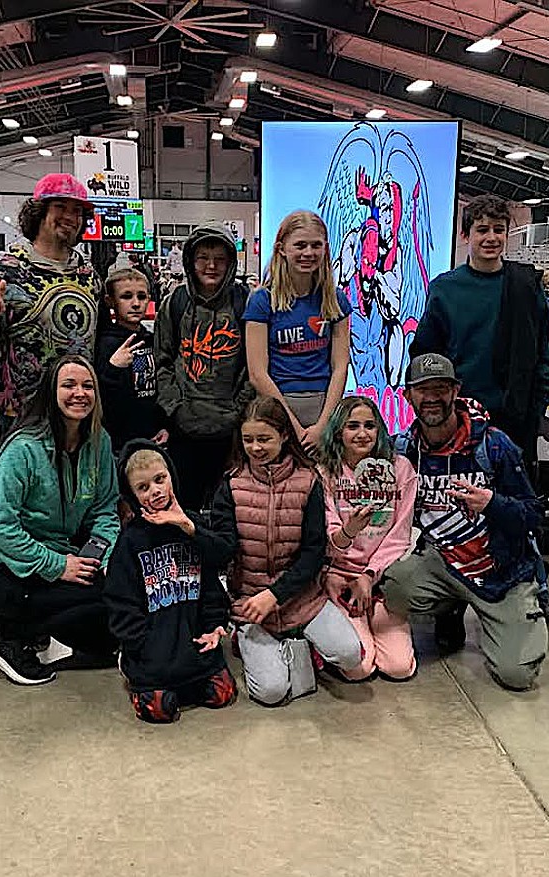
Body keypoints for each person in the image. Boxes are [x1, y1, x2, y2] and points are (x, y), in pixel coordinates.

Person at [409, 194, 549, 624]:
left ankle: (532, 582)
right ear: (466, 236)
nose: (491, 238)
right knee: (454, 507)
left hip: (512, 417)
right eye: (482, 230)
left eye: (498, 230)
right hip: (459, 422)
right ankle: (451, 604)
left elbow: (543, 352)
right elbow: (425, 353)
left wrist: (537, 403)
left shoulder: (526, 285)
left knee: (514, 506)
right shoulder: (446, 289)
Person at [382, 354, 548, 692]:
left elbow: (534, 515)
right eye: (422, 389)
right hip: (443, 562)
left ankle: (524, 602)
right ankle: (451, 606)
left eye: (440, 388)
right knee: (393, 587)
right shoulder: (402, 449)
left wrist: (492, 503)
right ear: (408, 395)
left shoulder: (494, 445)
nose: (431, 398)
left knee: (517, 676)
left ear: (456, 391)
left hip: (500, 570)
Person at [0, 354, 121, 686]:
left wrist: (101, 558)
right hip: (4, 565)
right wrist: (57, 565)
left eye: (87, 386)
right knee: (85, 610)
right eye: (69, 385)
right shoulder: (21, 450)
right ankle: (7, 634)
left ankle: (27, 628)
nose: (79, 393)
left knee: (117, 596)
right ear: (51, 392)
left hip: (64, 555)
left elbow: (106, 510)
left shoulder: (100, 443)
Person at [211, 397, 363, 706]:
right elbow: (221, 548)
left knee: (350, 653)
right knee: (271, 692)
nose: (256, 448)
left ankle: (302, 642)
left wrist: (276, 595)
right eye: (248, 439)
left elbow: (313, 553)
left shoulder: (308, 481)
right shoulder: (231, 484)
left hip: (302, 598)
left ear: (283, 436)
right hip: (251, 604)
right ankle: (260, 643)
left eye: (264, 439)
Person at [0, 173, 100, 441]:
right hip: (22, 422)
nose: (70, 216)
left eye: (77, 211)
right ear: (38, 213)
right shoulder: (5, 272)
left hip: (76, 418)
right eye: (60, 207)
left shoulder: (88, 275)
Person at [104, 441, 238, 724]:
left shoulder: (191, 523)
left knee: (222, 694)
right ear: (133, 494)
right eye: (143, 487)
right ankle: (131, 670)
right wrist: (143, 643)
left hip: (195, 643)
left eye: (159, 480)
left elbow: (213, 579)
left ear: (171, 477)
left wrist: (215, 626)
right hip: (155, 650)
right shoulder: (130, 541)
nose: (154, 490)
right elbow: (120, 602)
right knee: (160, 710)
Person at [155, 224, 254, 511]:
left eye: (220, 259)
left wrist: (239, 410)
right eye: (203, 258)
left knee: (230, 507)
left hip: (232, 430)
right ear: (190, 261)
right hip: (185, 428)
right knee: (185, 505)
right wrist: (176, 408)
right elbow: (162, 360)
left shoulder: (244, 303)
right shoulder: (175, 302)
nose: (211, 266)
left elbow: (255, 365)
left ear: (231, 263)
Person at [318, 396, 418, 681]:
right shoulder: (325, 472)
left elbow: (400, 535)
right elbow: (329, 540)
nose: (362, 433)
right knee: (358, 670)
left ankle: (377, 618)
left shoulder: (401, 469)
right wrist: (349, 530)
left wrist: (370, 576)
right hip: (341, 576)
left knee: (399, 668)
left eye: (369, 426)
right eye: (352, 426)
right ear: (338, 431)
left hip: (383, 577)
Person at [245, 210, 352, 450]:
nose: (308, 253)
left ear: (325, 248)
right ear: (282, 248)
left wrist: (324, 425)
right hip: (276, 411)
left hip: (324, 410)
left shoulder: (335, 300)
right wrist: (292, 426)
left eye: (316, 245)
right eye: (300, 245)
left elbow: (340, 366)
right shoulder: (262, 301)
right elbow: (257, 374)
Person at [94, 267, 168, 453]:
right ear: (110, 301)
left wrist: (164, 425)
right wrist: (113, 368)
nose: (136, 304)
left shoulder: (152, 340)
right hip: (117, 443)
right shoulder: (104, 343)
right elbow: (100, 398)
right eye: (126, 297)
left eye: (141, 297)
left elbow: (158, 389)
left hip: (152, 437)